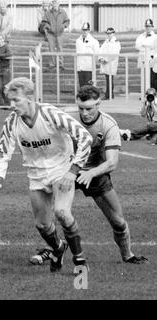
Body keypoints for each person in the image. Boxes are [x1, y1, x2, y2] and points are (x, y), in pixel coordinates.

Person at [30, 85, 148, 265]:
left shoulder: (108, 125)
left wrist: (91, 173)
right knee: (55, 214)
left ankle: (128, 255)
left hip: (96, 173)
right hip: (66, 170)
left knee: (118, 221)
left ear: (99, 104)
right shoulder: (66, 116)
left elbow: (112, 162)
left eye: (89, 109)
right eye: (81, 109)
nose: (84, 113)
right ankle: (53, 249)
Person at [0, 77, 93, 273]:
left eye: (16, 100)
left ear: (30, 98)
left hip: (61, 169)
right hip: (36, 175)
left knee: (62, 212)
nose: (12, 105)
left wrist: (73, 171)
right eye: (10, 101)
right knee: (42, 225)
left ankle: (80, 260)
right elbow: (3, 151)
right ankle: (58, 248)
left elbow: (85, 137)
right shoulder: (11, 122)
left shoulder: (50, 114)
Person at [41, 0, 69, 71]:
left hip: (60, 34)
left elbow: (67, 21)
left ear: (58, 4)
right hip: (51, 34)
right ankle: (52, 65)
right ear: (52, 4)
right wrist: (48, 27)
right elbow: (44, 22)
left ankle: (60, 65)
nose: (55, 5)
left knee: (60, 49)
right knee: (51, 49)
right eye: (53, 3)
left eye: (56, 3)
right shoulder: (48, 13)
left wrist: (64, 26)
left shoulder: (63, 12)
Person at [98, 27, 121, 100]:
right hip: (105, 63)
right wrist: (101, 58)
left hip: (111, 63)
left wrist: (106, 60)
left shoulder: (116, 42)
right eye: (108, 33)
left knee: (110, 79)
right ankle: (109, 94)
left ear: (113, 33)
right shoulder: (106, 41)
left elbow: (115, 54)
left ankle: (109, 94)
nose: (109, 35)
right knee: (107, 79)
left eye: (110, 33)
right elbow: (101, 50)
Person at [135, 19, 157, 91]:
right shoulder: (141, 36)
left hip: (151, 60)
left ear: (152, 27)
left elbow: (153, 46)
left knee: (152, 79)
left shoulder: (155, 37)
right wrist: (147, 47)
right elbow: (137, 46)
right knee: (144, 78)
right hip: (142, 60)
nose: (148, 28)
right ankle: (144, 94)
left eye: (149, 26)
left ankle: (153, 94)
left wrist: (144, 46)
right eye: (147, 26)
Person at [76, 22, 99, 88]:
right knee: (82, 86)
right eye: (83, 30)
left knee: (89, 87)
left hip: (89, 68)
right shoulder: (78, 41)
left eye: (86, 30)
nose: (84, 31)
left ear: (89, 30)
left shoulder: (94, 41)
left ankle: (89, 98)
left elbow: (97, 54)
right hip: (80, 67)